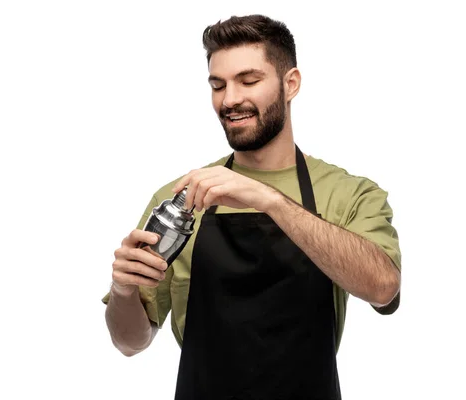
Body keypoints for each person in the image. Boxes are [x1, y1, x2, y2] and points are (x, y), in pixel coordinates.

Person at [102, 14, 402, 399]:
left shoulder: (348, 194)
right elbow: (130, 342)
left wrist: (269, 200)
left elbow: (383, 288)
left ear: (290, 83)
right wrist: (124, 291)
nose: (229, 100)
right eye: (217, 85)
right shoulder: (180, 198)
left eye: (249, 81)